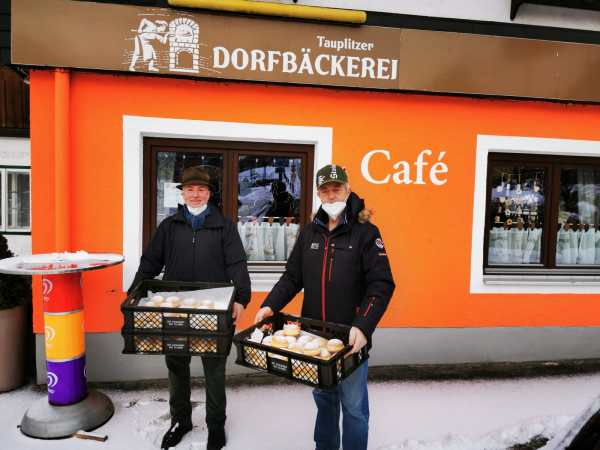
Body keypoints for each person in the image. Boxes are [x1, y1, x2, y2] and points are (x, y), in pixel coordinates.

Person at [255, 164, 395, 450]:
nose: (331, 196)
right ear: (318, 194)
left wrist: (363, 325)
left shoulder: (366, 233)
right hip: (314, 338)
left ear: (348, 190)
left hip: (350, 340)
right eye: (325, 191)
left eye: (337, 189)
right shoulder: (310, 233)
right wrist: (270, 305)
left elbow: (381, 284)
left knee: (354, 408)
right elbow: (292, 277)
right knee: (324, 400)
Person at [129, 166, 251, 450]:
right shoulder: (169, 226)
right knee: (176, 366)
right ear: (182, 193)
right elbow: (150, 262)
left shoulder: (224, 226)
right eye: (190, 189)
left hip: (213, 309)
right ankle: (180, 420)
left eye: (201, 189)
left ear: (209, 193)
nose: (195, 194)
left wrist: (242, 298)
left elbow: (237, 264)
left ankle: (216, 426)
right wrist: (135, 292)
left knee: (214, 369)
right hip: (176, 309)